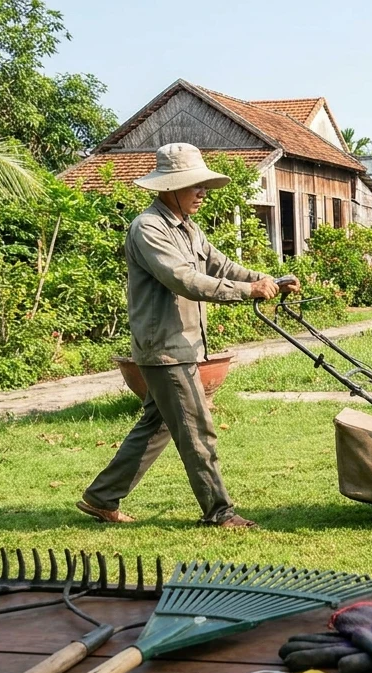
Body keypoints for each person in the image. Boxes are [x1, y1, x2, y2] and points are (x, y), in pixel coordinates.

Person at [77, 143, 299, 529]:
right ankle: (219, 512)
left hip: (182, 345)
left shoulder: (188, 228)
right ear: (170, 187)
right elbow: (184, 280)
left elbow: (220, 266)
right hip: (165, 346)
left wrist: (266, 280)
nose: (202, 193)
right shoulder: (149, 228)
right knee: (197, 430)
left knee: (157, 425)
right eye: (195, 185)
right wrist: (248, 292)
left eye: (203, 185)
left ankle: (102, 497)